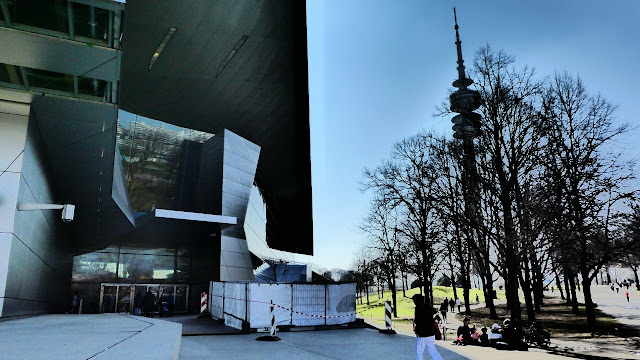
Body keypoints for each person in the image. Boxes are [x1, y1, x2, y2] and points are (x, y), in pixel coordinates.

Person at [412, 294, 443, 360]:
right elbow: (435, 311)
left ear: (417, 300)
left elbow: (418, 321)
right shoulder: (428, 307)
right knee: (432, 350)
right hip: (431, 332)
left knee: (419, 351)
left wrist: (416, 329)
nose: (414, 302)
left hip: (422, 333)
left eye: (414, 300)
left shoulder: (418, 308)